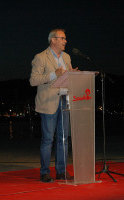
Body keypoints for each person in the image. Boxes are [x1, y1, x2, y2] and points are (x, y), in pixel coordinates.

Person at [30, 28, 78, 182]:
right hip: (49, 103)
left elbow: (68, 76)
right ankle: (44, 172)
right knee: (48, 139)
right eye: (62, 38)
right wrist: (54, 74)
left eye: (65, 38)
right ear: (53, 40)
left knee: (63, 138)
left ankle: (61, 171)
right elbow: (33, 80)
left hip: (64, 100)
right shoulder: (40, 57)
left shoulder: (67, 57)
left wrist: (75, 75)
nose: (65, 41)